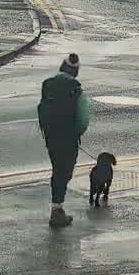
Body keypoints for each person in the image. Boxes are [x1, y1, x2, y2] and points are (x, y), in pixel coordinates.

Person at [37, 54, 89, 228]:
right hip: (68, 138)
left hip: (51, 136)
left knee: (57, 169)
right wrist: (76, 134)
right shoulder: (76, 90)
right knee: (64, 172)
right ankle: (57, 211)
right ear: (76, 70)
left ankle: (56, 208)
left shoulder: (48, 85)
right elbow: (83, 119)